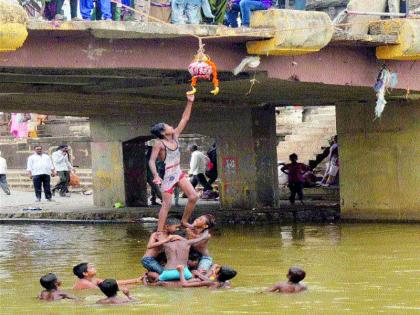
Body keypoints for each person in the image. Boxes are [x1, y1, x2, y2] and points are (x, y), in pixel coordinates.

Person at [148, 94, 199, 232]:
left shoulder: (175, 136)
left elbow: (185, 118)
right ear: (163, 132)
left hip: (178, 172)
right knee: (166, 205)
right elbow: (151, 161)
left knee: (193, 197)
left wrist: (189, 102)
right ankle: (159, 231)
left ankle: (184, 221)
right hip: (167, 176)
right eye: (167, 126)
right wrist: (156, 175)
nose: (171, 126)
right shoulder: (159, 144)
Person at [72, 262, 142, 290]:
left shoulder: (94, 279)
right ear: (85, 273)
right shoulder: (84, 282)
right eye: (91, 268)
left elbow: (112, 283)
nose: (94, 268)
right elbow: (103, 290)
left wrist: (135, 280)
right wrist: (129, 287)